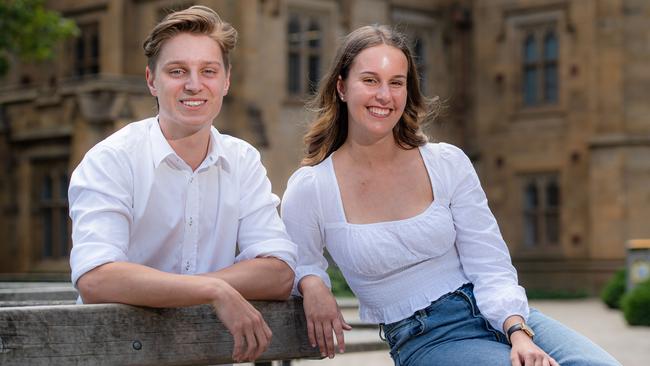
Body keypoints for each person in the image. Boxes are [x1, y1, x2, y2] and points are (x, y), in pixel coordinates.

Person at [281, 24, 621, 366]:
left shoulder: (445, 162)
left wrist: (517, 331)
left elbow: (488, 261)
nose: (384, 95)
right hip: (425, 338)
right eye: (370, 80)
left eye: (396, 82)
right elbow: (296, 261)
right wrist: (312, 284)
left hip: (497, 313)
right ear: (341, 87)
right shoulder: (312, 187)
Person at [68, 6, 296, 363]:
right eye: (177, 71)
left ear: (226, 81)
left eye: (208, 71)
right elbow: (96, 278)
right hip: (115, 355)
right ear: (151, 80)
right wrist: (212, 289)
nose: (194, 84)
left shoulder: (243, 160)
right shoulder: (111, 160)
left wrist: (199, 289)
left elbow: (279, 273)